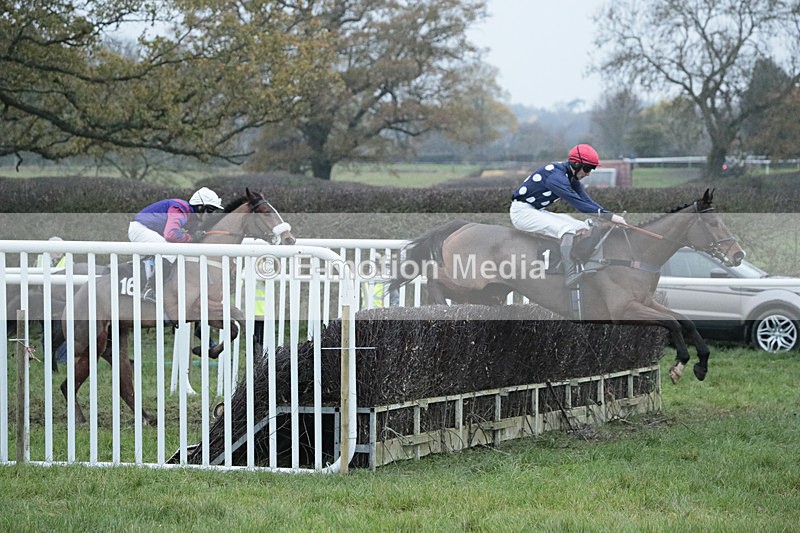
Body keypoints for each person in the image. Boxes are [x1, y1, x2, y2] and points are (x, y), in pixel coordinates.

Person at [510, 144, 627, 286]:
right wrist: (611, 217)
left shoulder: (571, 177)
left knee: (580, 226)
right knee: (567, 229)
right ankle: (569, 273)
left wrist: (609, 215)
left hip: (535, 210)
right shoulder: (556, 177)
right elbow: (578, 204)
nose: (589, 173)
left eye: (592, 169)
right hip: (522, 213)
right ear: (576, 164)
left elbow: (586, 200)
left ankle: (587, 264)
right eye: (588, 168)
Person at [128, 187, 224, 301]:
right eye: (210, 210)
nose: (212, 214)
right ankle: (150, 290)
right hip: (140, 229)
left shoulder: (192, 217)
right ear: (200, 207)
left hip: (151, 230)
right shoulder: (180, 208)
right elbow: (171, 234)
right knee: (170, 252)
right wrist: (192, 237)